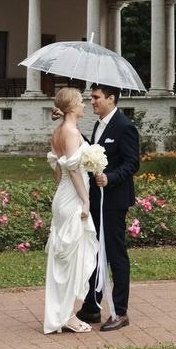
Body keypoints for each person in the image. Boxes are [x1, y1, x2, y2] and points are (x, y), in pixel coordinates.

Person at [76, 83, 140, 331]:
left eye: (96, 97)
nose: (92, 101)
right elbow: (94, 153)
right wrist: (71, 124)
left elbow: (132, 163)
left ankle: (120, 312)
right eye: (91, 98)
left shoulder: (125, 126)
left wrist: (110, 178)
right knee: (94, 251)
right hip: (96, 199)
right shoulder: (98, 125)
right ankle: (92, 307)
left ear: (111, 99)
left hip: (114, 201)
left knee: (115, 254)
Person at [43, 86, 99, 334]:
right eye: (81, 101)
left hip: (63, 196)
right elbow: (74, 171)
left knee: (63, 259)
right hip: (74, 197)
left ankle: (62, 313)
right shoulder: (72, 132)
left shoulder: (57, 132)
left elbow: (59, 172)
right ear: (73, 106)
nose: (85, 104)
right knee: (71, 259)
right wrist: (85, 201)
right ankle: (66, 315)